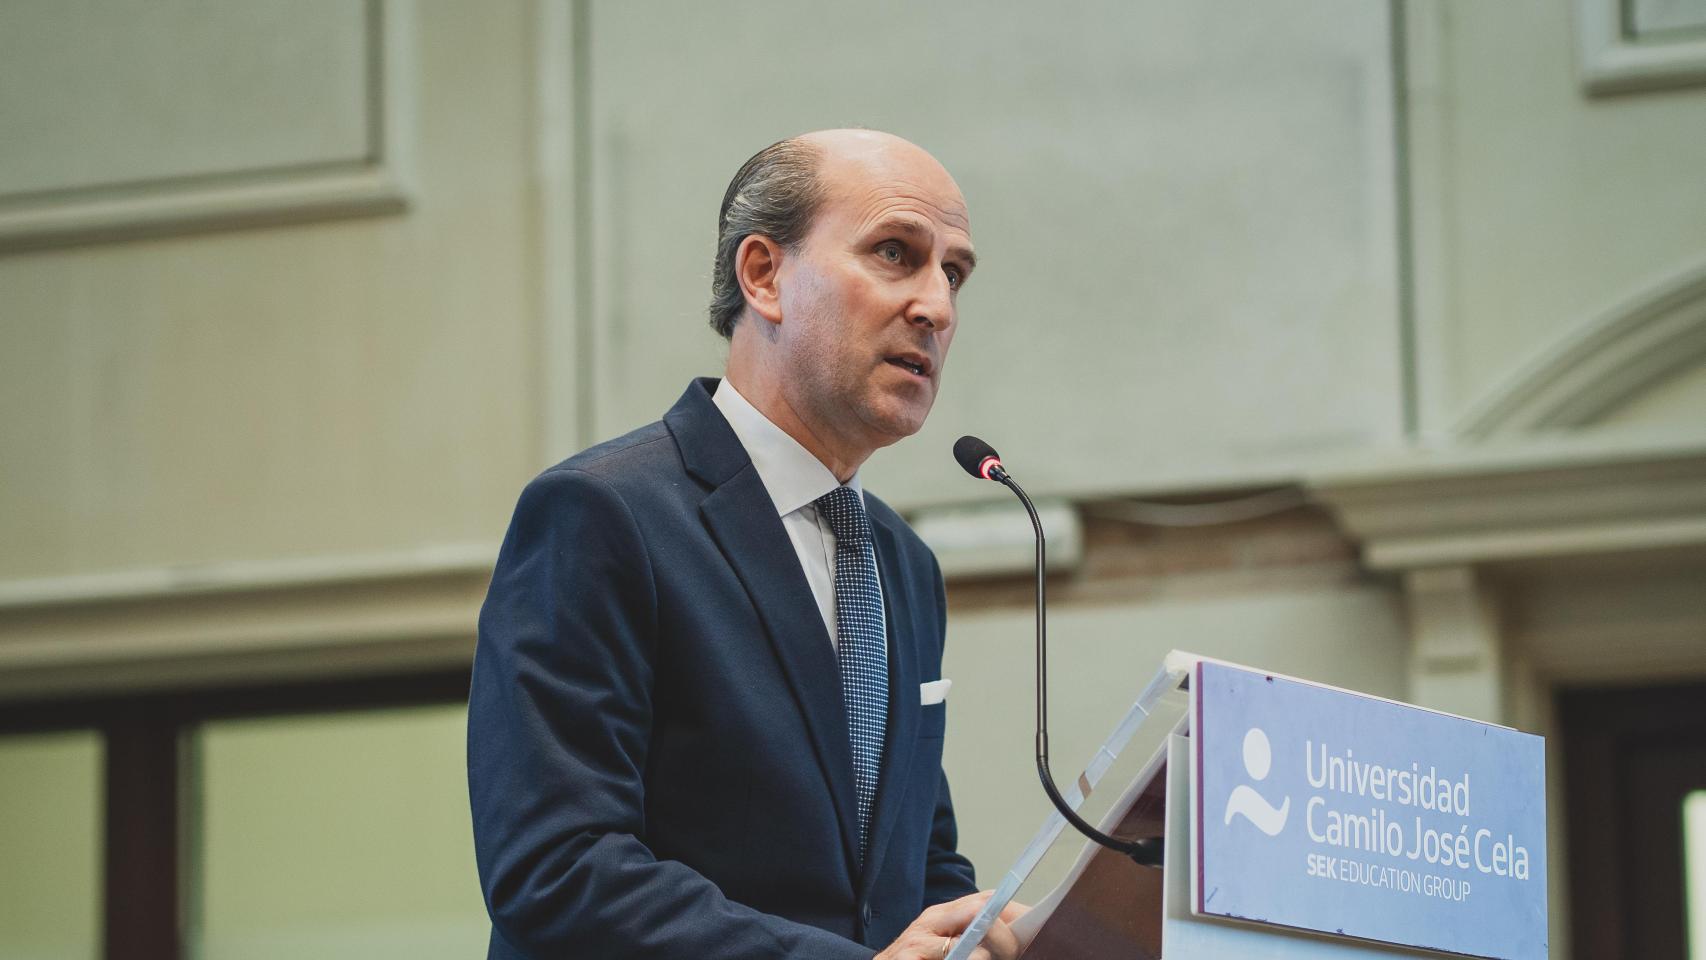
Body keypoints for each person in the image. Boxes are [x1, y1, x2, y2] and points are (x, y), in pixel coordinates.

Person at [468, 129, 1019, 960]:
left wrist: (986, 934)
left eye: (954, 273)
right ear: (764, 275)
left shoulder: (905, 566)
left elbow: (907, 873)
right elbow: (558, 868)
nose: (937, 305)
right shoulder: (601, 515)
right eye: (896, 253)